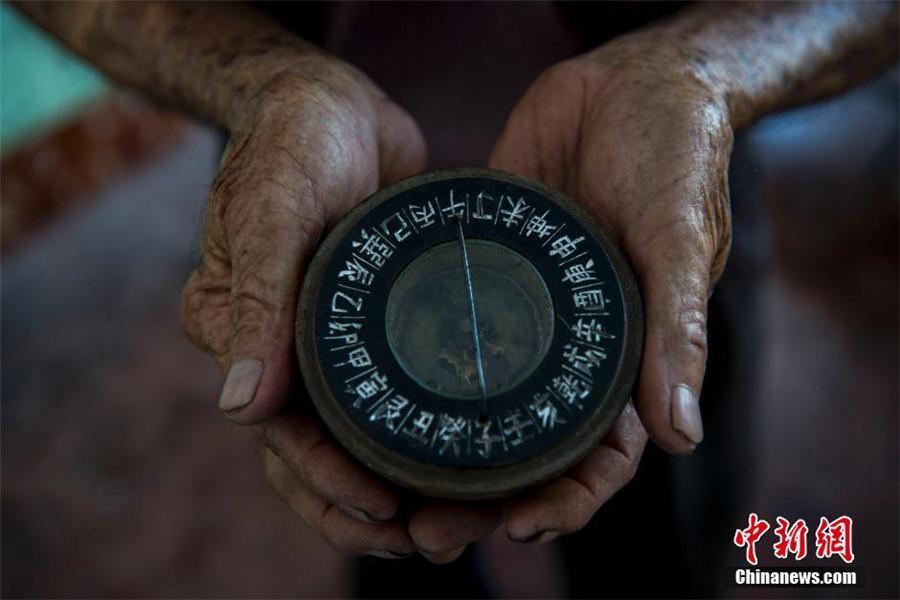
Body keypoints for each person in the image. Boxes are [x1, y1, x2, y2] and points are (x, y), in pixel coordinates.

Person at [17, 1, 898, 595]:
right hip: (314, 177)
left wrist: (704, 72)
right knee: (389, 525)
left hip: (656, 184)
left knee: (663, 527)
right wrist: (259, 78)